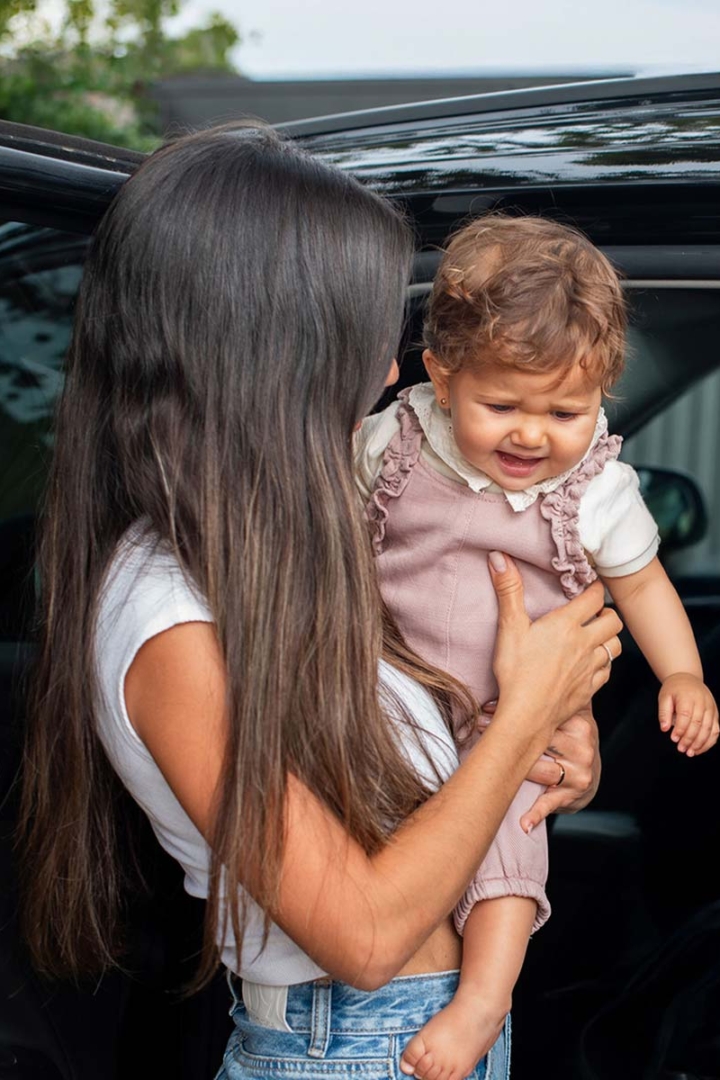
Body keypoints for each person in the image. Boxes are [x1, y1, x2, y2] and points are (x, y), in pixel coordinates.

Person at [18, 128, 621, 1080]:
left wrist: (536, 747)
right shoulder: (169, 616)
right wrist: (525, 719)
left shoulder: (277, 554)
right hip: (351, 1045)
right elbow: (368, 935)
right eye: (366, 341)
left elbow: (416, 777)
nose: (391, 375)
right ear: (272, 354)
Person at [355, 213, 720, 1080]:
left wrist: (684, 672)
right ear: (439, 377)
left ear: (603, 395)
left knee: (515, 833)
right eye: (504, 406)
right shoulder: (390, 441)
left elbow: (642, 586)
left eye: (566, 411)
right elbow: (320, 541)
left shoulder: (596, 487)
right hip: (379, 688)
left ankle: (484, 999)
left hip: (501, 710)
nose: (532, 435)